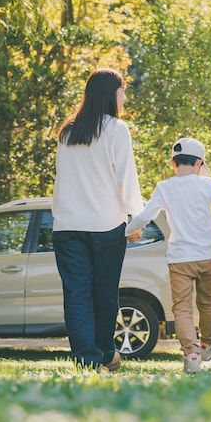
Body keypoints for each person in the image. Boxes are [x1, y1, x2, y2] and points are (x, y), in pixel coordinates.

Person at [126, 137, 211, 374]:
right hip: (206, 255)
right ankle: (208, 343)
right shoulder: (206, 185)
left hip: (179, 258)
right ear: (200, 163)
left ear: (173, 163)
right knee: (206, 302)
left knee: (181, 308)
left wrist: (129, 231)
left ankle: (191, 355)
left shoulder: (164, 187)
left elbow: (145, 216)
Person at [52, 68, 144, 371]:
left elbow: (62, 180)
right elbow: (126, 178)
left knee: (76, 296)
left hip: (67, 226)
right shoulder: (117, 129)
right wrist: (136, 220)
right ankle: (104, 353)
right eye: (122, 91)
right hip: (105, 225)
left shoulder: (67, 131)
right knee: (104, 294)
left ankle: (90, 358)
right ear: (109, 94)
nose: (125, 97)